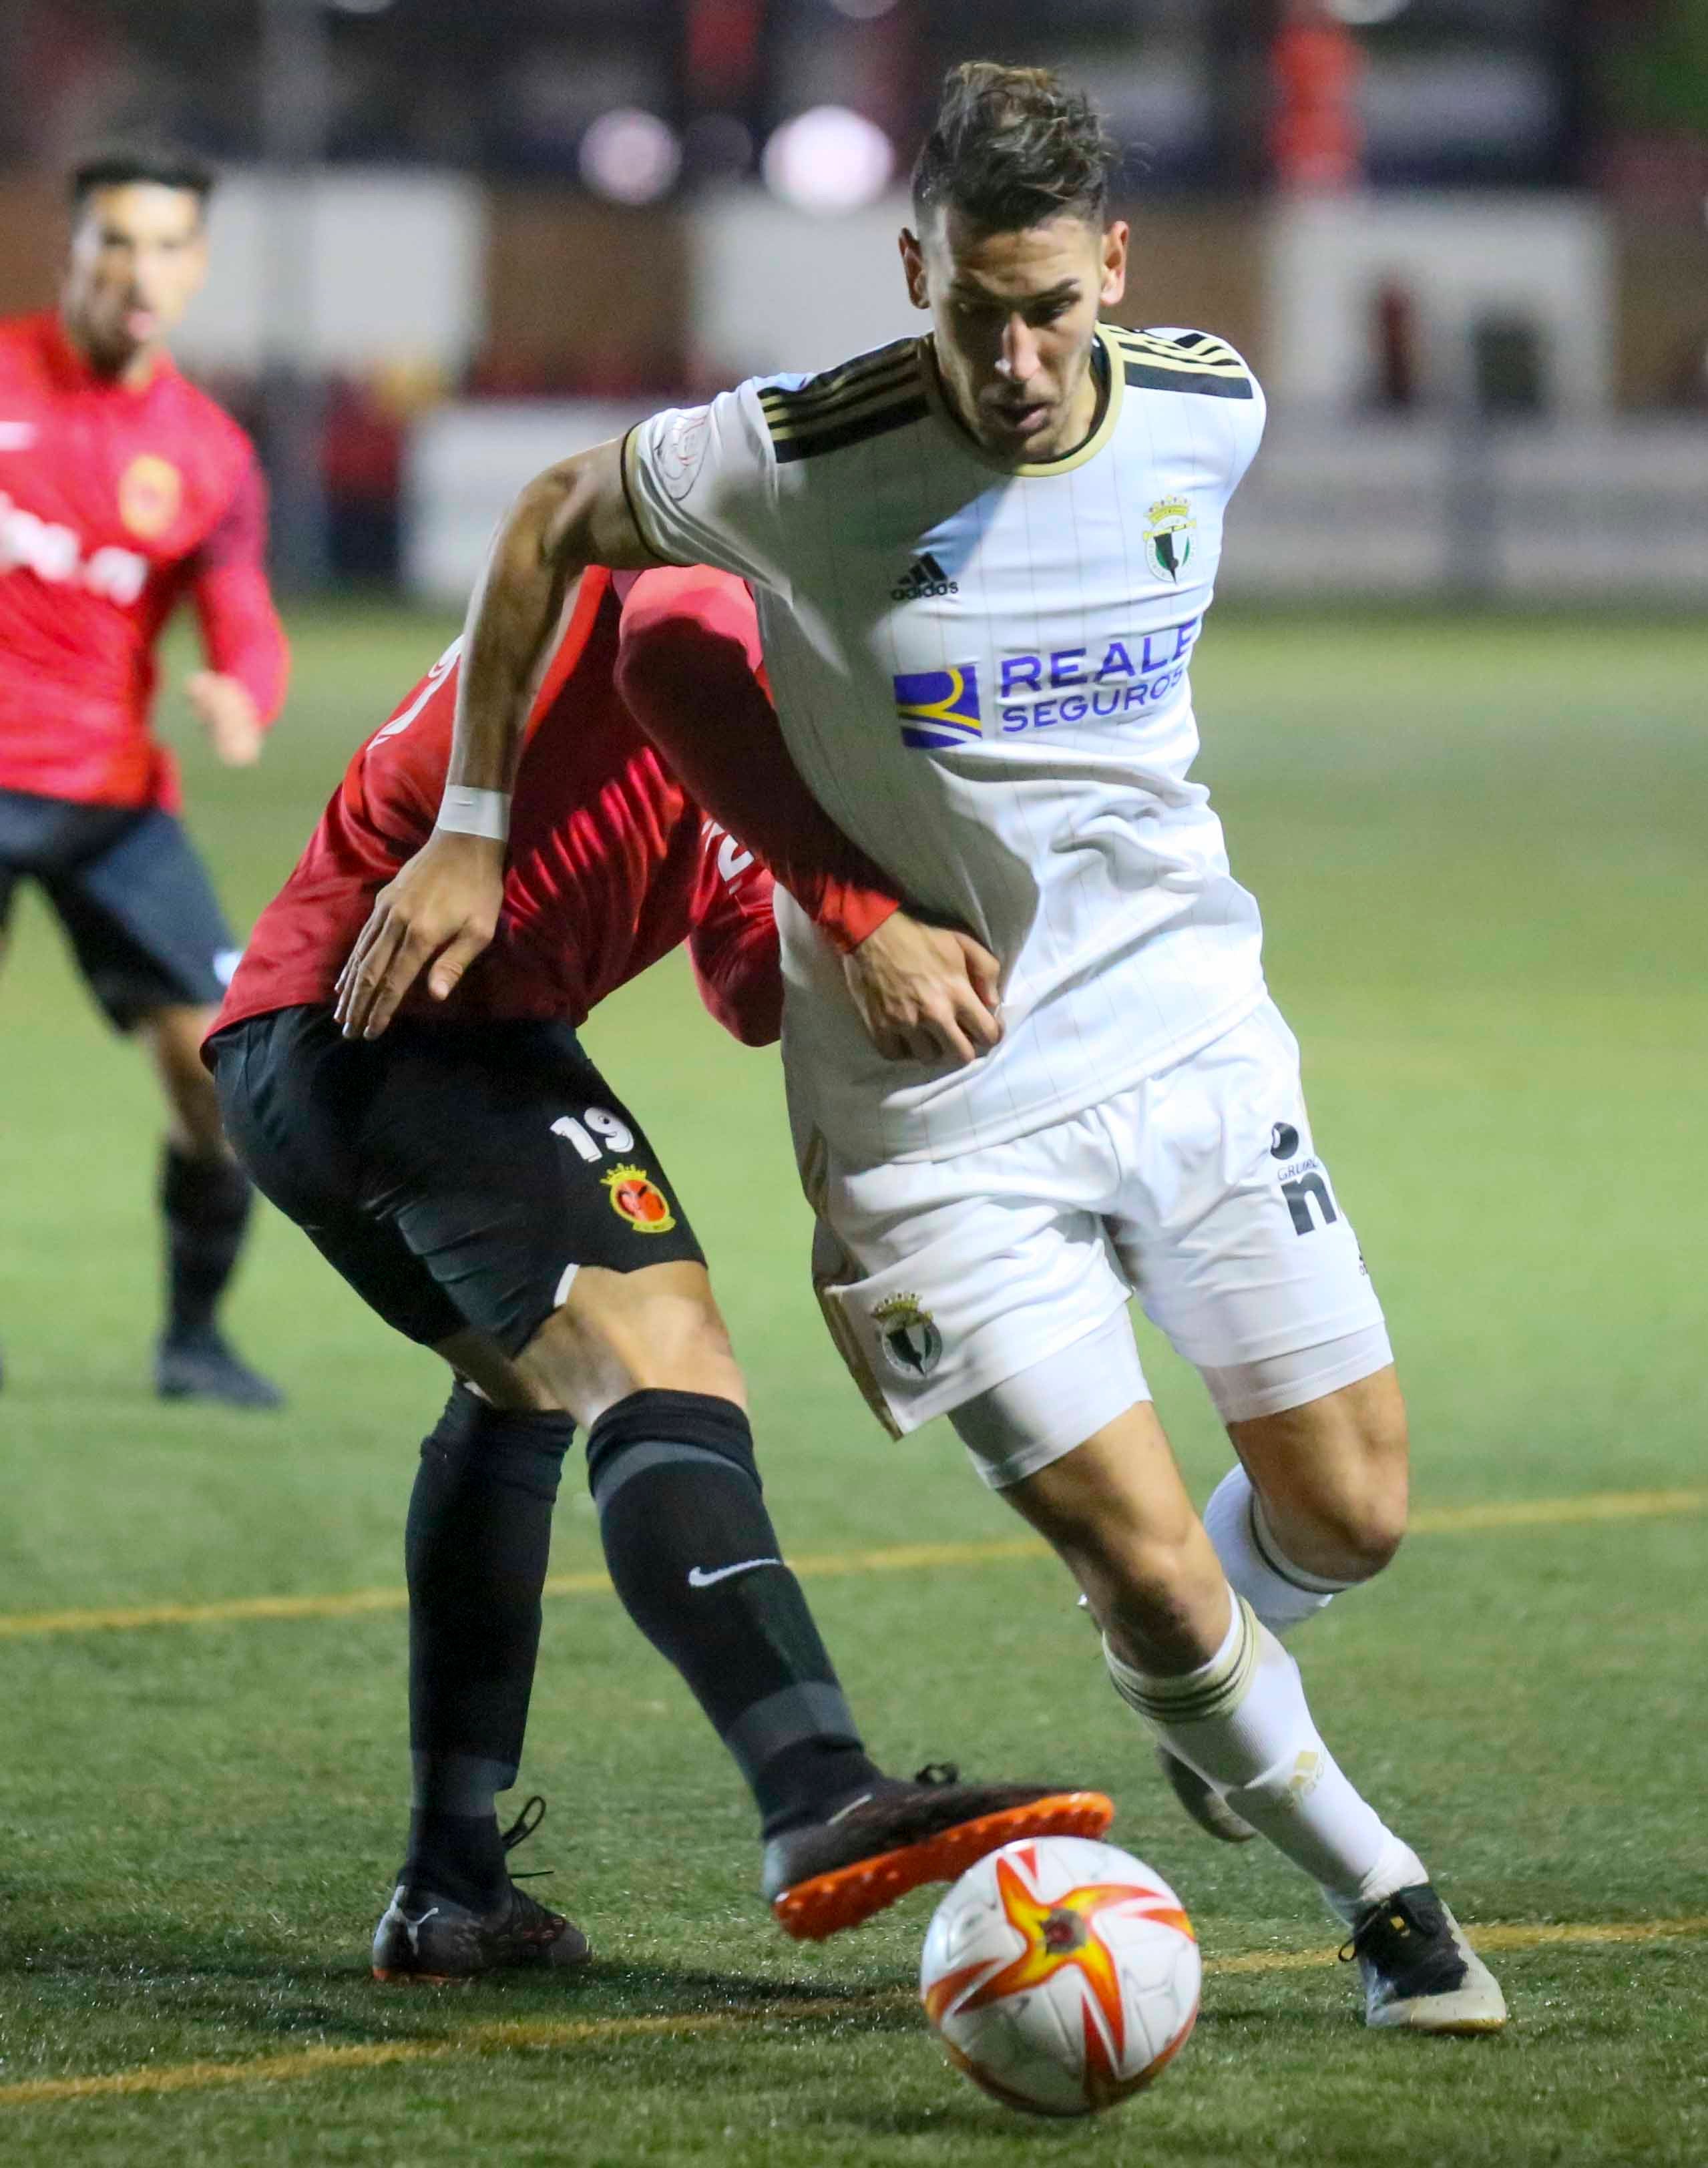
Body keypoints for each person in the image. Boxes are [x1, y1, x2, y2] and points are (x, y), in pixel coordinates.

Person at [335, 63, 1510, 2034]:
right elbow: (566, 533)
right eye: (978, 312)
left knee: (1347, 1513)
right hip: (937, 1123)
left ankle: (1213, 1694)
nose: (1021, 360)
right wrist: (483, 827)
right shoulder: (800, 450)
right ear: (915, 277)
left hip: (1192, 1034)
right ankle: (1384, 1902)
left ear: (1114, 273)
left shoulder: (1207, 407)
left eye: (1054, 309)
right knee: (1140, 1559)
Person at [207, 562, 1111, 1980]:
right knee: (661, 1356)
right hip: (411, 1024)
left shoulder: (774, 739)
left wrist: (885, 903)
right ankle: (816, 1788)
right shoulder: (724, 593)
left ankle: (450, 1886)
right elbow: (666, 627)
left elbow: (748, 982)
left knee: (523, 1395)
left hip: (297, 1051)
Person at [0, 144, 288, 1407]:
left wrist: (248, 690)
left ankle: (195, 1340)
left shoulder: (210, 452)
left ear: (197, 267)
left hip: (111, 803)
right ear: (72, 248)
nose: (141, 269)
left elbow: (244, 617)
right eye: (116, 239)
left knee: (222, 1079)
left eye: (169, 245)